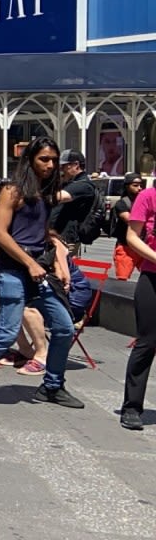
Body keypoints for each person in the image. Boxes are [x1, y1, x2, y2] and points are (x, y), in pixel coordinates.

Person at [0, 136, 85, 411]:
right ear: (30, 160)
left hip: (38, 271)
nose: (49, 165)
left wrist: (57, 261)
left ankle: (52, 385)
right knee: (6, 332)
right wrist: (30, 263)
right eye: (43, 159)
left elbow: (42, 233)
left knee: (64, 327)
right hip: (13, 270)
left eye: (53, 160)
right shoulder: (12, 191)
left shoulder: (46, 193)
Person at [121, 172, 156, 430]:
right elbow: (132, 236)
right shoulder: (148, 196)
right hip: (152, 277)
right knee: (147, 342)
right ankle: (132, 407)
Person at [49, 148, 97, 257]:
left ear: (76, 165)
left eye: (64, 166)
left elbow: (58, 197)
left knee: (60, 270)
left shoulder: (84, 185)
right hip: (56, 236)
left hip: (66, 239)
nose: (61, 170)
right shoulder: (70, 183)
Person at [113, 172, 145, 280]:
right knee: (122, 281)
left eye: (141, 185)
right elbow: (131, 220)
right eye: (135, 185)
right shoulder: (122, 204)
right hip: (126, 248)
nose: (139, 188)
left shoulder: (144, 202)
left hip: (144, 246)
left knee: (151, 278)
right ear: (127, 186)